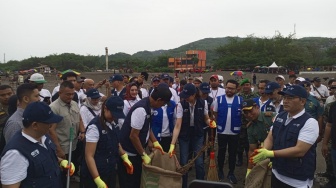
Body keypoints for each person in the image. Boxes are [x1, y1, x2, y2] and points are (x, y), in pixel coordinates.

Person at [250, 85, 319, 188]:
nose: (285, 101)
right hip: (277, 173)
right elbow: (270, 137)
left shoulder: (310, 122)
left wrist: (271, 153)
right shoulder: (280, 115)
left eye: (290, 98)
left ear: (302, 101)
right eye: (285, 97)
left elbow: (300, 150)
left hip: (297, 180)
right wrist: (263, 150)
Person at [0, 102, 74, 188]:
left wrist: (61, 162)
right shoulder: (16, 154)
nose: (51, 125)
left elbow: (44, 156)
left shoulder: (43, 136)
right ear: (35, 125)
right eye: (49, 123)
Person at [119, 83, 171, 188]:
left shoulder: (149, 106)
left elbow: (147, 127)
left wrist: (155, 142)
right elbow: (133, 136)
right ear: (159, 100)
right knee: (130, 182)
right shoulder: (141, 109)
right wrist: (143, 154)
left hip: (137, 151)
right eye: (162, 104)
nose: (161, 106)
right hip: (129, 154)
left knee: (138, 181)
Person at [81, 96, 133, 188]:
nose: (114, 117)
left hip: (110, 168)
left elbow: (116, 142)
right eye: (113, 114)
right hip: (97, 171)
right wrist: (97, 179)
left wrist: (124, 157)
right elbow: (89, 156)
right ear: (105, 109)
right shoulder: (94, 127)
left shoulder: (114, 123)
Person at [169, 83, 214, 188]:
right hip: (185, 135)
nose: (185, 98)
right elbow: (178, 125)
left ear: (194, 95)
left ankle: (200, 184)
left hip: (198, 135)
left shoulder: (203, 103)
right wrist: (172, 144)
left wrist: (210, 122)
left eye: (187, 96)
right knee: (184, 162)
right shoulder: (181, 105)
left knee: (199, 162)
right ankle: (183, 185)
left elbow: (206, 118)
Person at [49, 81, 86, 185]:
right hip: (62, 147)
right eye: (68, 94)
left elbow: (79, 118)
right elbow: (51, 130)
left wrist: (82, 131)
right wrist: (59, 149)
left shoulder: (74, 104)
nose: (70, 96)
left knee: (72, 168)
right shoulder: (54, 108)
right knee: (62, 174)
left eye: (72, 94)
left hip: (74, 144)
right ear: (60, 93)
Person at [213, 79, 242, 184]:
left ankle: (231, 172)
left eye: (232, 88)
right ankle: (220, 171)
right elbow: (215, 113)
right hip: (222, 131)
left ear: (236, 89)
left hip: (234, 132)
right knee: (221, 152)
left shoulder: (240, 100)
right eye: (228, 88)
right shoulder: (219, 100)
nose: (229, 90)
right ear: (225, 87)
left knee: (232, 153)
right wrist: (219, 122)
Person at [242, 99, 276, 178]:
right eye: (246, 113)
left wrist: (277, 158)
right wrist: (249, 169)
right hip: (264, 154)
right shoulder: (250, 128)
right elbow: (252, 149)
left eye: (251, 111)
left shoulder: (270, 117)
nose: (249, 115)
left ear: (257, 107)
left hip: (280, 152)